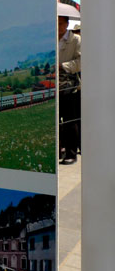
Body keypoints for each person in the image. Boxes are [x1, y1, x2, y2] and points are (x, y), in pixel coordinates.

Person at [58, 15, 81, 164]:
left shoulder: (76, 40)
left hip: (70, 85)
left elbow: (82, 61)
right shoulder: (51, 39)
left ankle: (71, 153)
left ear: (67, 24)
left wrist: (63, 66)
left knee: (69, 119)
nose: (58, 26)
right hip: (54, 85)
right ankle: (60, 148)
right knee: (55, 119)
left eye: (60, 23)